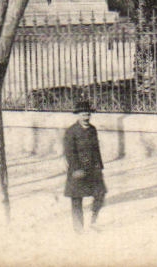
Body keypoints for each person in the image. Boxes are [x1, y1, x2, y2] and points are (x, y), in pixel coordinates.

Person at [62, 98, 107, 231]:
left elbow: (96, 148)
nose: (86, 117)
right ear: (78, 115)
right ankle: (78, 228)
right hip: (78, 168)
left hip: (93, 168)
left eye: (88, 114)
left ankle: (94, 221)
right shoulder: (71, 131)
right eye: (83, 114)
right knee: (77, 198)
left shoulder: (93, 129)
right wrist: (76, 169)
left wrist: (99, 166)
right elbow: (69, 152)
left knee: (100, 193)